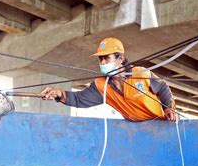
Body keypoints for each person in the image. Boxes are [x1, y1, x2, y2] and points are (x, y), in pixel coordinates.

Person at [40, 38, 176, 122]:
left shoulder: (140, 73)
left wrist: (169, 108)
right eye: (101, 59)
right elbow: (78, 99)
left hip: (161, 124)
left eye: (107, 58)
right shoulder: (101, 85)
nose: (103, 62)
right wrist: (57, 93)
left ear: (120, 59)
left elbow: (163, 88)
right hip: (136, 130)